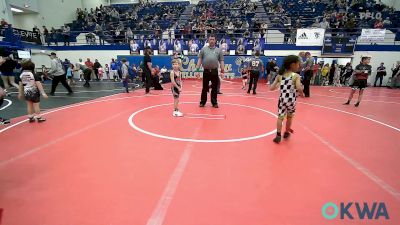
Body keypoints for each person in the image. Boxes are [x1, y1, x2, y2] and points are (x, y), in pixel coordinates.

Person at [270, 55, 304, 143]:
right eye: (298, 64)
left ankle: (278, 135)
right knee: (289, 117)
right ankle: (287, 132)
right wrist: (302, 92)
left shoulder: (279, 76)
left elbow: (271, 88)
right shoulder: (295, 76)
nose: (298, 66)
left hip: (282, 100)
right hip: (291, 101)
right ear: (292, 65)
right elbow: (299, 88)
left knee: (280, 117)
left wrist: (278, 84)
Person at [195, 34, 224, 108]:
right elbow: (200, 60)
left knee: (214, 87)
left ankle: (214, 103)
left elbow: (221, 61)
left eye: (213, 39)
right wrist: (197, 70)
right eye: (210, 39)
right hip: (206, 71)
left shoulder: (219, 50)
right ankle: (202, 102)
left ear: (215, 40)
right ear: (208, 40)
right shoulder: (203, 49)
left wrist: (222, 71)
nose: (211, 41)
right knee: (204, 87)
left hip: (214, 71)